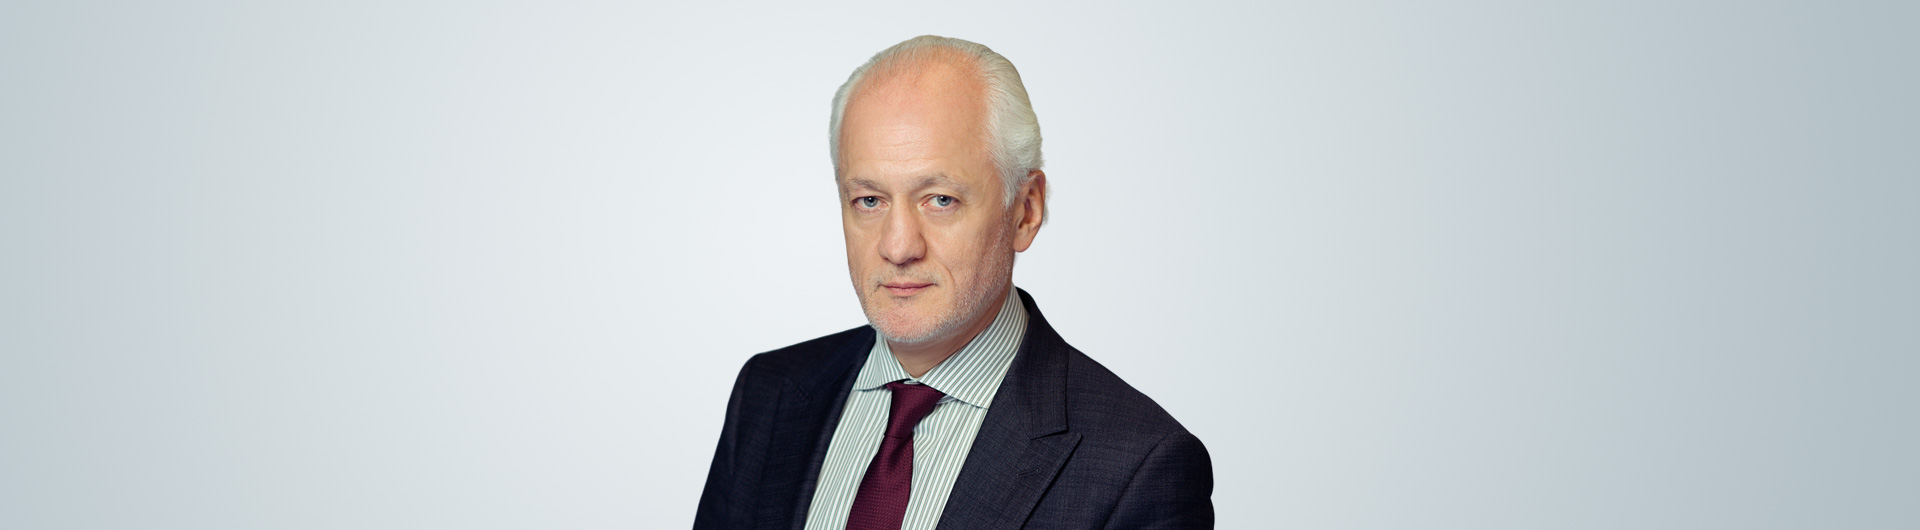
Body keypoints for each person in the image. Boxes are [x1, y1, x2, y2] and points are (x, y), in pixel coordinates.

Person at [693, 35, 1213, 530]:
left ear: (1026, 211)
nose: (898, 247)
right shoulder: (769, 393)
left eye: (940, 200)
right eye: (869, 200)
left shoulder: (1139, 467)